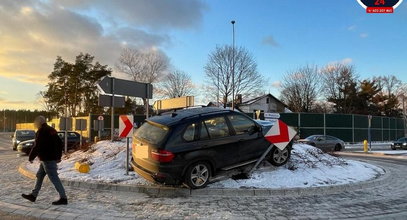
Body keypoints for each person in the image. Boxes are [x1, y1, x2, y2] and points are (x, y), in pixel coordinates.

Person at [21, 116, 68, 205]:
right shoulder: (51, 130)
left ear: (39, 123)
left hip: (47, 159)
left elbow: (37, 145)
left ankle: (63, 198)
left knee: (54, 178)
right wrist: (58, 156)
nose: (35, 125)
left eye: (36, 123)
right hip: (47, 159)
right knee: (39, 176)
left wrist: (31, 157)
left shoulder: (42, 131)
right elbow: (59, 143)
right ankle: (33, 195)